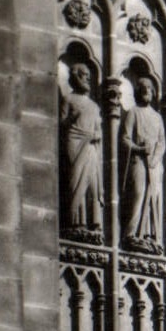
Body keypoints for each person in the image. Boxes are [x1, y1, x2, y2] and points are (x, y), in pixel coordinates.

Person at [120, 78, 166, 248]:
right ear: (137, 91)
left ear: (153, 92)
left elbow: (162, 142)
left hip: (154, 164)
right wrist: (138, 149)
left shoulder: (157, 117)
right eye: (143, 88)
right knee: (138, 193)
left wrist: (155, 158)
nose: (146, 90)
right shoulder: (134, 112)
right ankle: (130, 234)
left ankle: (148, 235)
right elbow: (124, 138)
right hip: (138, 160)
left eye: (149, 88)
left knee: (153, 196)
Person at [60, 63, 103, 233]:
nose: (88, 78)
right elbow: (62, 123)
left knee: (92, 183)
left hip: (91, 146)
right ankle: (75, 222)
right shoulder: (68, 99)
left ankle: (93, 223)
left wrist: (96, 136)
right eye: (84, 75)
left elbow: (99, 130)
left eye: (88, 76)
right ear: (75, 76)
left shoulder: (94, 106)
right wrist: (72, 121)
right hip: (75, 143)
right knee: (75, 179)